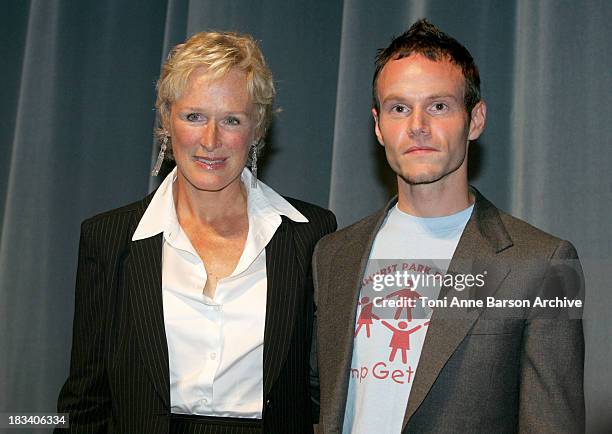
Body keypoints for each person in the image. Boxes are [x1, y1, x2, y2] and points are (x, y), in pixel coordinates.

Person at [312, 19, 584, 433]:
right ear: (378, 126)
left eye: (438, 106)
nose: (417, 125)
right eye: (399, 108)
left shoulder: (545, 265)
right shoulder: (333, 254)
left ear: (475, 120)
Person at [56, 31, 336, 434]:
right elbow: (85, 402)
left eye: (231, 120)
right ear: (166, 118)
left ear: (257, 129)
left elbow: (322, 392)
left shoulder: (310, 234)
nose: (210, 140)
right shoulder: (109, 238)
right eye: (194, 116)